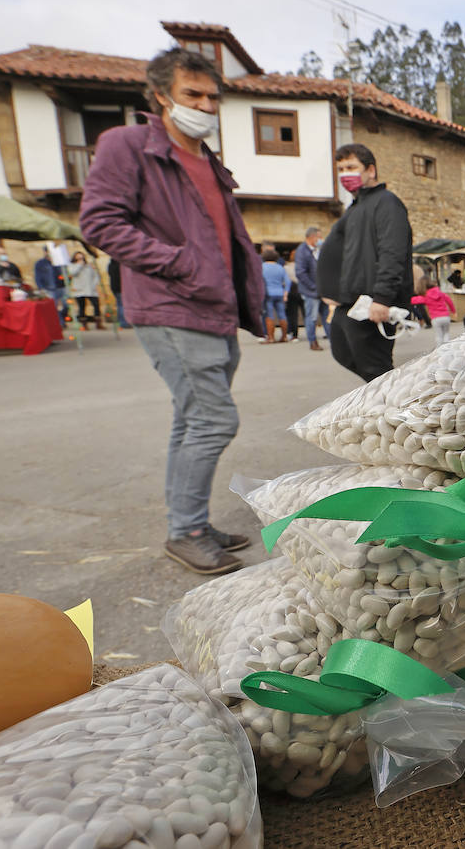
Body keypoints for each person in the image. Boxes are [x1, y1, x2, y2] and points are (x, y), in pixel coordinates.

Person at [79, 46, 265, 575]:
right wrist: (179, 263)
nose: (205, 105)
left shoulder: (206, 159)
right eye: (193, 94)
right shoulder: (129, 145)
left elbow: (228, 240)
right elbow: (99, 223)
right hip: (171, 304)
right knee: (212, 419)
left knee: (192, 418)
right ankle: (184, 531)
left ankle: (193, 523)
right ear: (161, 95)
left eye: (213, 96)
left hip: (213, 307)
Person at [317, 143, 413, 382]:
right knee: (342, 350)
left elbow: (393, 251)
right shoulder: (356, 207)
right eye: (340, 169)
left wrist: (382, 297)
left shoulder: (386, 202)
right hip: (349, 300)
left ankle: (398, 410)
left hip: (371, 302)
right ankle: (383, 399)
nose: (344, 174)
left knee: (375, 368)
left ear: (370, 170)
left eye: (350, 167)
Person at [294, 226, 326, 350]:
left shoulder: (318, 250)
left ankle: (334, 342)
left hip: (322, 291)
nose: (321, 239)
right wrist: (313, 287)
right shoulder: (302, 251)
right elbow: (301, 273)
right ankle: (313, 342)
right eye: (319, 237)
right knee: (312, 317)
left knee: (326, 316)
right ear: (312, 237)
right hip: (311, 292)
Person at [411, 277, 455, 344]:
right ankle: (447, 347)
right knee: (446, 333)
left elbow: (414, 300)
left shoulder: (426, 296)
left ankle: (440, 349)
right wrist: (453, 311)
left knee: (439, 335)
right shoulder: (440, 293)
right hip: (446, 317)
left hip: (436, 318)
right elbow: (449, 301)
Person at [67, 250, 104, 329]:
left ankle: (98, 323)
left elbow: (95, 275)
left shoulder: (89, 266)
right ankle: (84, 325)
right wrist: (79, 265)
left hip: (90, 289)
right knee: (82, 307)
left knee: (96, 305)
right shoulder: (72, 266)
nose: (80, 258)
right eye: (78, 256)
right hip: (79, 290)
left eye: (81, 256)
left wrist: (94, 284)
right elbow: (72, 273)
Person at [260, 248, 290, 343]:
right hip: (279, 293)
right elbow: (288, 281)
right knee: (282, 315)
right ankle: (284, 336)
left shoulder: (262, 267)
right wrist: (286, 292)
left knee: (269, 315)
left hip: (268, 293)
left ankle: (271, 337)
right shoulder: (280, 267)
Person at [35, 247, 68, 321]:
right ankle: (61, 323)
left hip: (61, 286)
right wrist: (41, 287)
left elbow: (65, 273)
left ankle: (63, 318)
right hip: (49, 287)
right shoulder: (40, 263)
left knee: (65, 305)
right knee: (55, 306)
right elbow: (38, 276)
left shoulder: (58, 262)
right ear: (45, 252)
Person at [107, 258, 130, 328]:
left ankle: (121, 322)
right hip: (121, 287)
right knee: (122, 305)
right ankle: (124, 323)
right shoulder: (121, 266)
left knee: (119, 305)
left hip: (114, 287)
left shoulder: (110, 265)